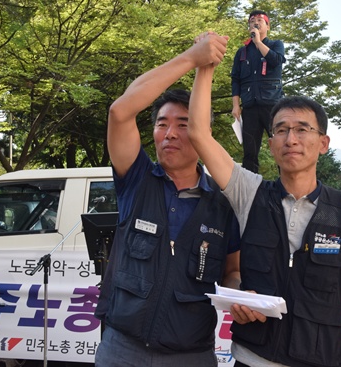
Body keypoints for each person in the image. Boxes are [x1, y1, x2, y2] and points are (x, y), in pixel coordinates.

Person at [188, 35, 341, 367]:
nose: (291, 139)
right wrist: (204, 67)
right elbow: (199, 134)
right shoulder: (249, 192)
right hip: (252, 358)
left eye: (302, 129)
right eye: (281, 130)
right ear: (272, 142)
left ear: (323, 143)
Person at [94, 32, 240, 367]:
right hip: (121, 349)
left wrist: (239, 294)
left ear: (202, 134)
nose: (170, 133)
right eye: (162, 124)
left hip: (192, 355)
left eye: (183, 125)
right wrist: (193, 57)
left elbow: (233, 271)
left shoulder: (223, 201)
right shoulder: (136, 179)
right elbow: (119, 111)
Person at [231, 10, 286, 173]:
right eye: (252, 20)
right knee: (249, 151)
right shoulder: (242, 52)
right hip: (249, 106)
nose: (255, 22)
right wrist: (235, 105)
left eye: (259, 20)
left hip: (272, 105)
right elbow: (235, 79)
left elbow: (276, 61)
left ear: (267, 26)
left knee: (280, 146)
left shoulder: (276, 44)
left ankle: (286, 186)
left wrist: (258, 42)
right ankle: (250, 189)